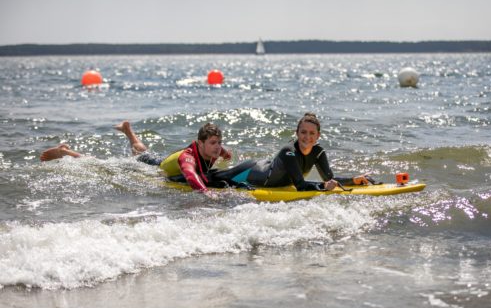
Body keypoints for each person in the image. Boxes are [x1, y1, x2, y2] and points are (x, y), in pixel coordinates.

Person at [40, 121, 232, 193]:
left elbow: (223, 153)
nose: (217, 147)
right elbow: (191, 175)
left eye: (219, 142)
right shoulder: (188, 158)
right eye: (213, 143)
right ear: (200, 143)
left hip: (160, 161)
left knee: (142, 152)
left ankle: (127, 130)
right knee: (101, 165)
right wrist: (206, 193)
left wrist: (226, 155)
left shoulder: (215, 149)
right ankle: (65, 151)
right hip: (153, 168)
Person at [208, 112, 371, 191]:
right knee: (216, 179)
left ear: (318, 135)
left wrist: (353, 180)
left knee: (218, 177)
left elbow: (330, 179)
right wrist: (323, 186)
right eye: (303, 132)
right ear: (297, 133)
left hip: (269, 165)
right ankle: (184, 176)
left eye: (312, 133)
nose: (307, 137)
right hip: (254, 172)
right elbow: (300, 185)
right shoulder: (289, 151)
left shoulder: (319, 152)